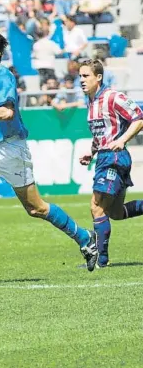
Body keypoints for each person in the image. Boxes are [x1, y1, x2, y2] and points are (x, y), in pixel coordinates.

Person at [0, 28, 98, 281]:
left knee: (36, 208)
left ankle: (85, 238)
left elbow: (7, 112)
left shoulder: (2, 75)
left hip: (11, 150)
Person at [78, 59, 143, 267]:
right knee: (114, 213)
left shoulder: (112, 97)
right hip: (104, 157)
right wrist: (91, 151)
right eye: (80, 76)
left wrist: (123, 140)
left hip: (114, 158)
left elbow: (139, 118)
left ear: (98, 77)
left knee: (96, 207)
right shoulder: (90, 101)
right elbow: (102, 133)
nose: (81, 80)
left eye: (86, 76)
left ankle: (101, 260)